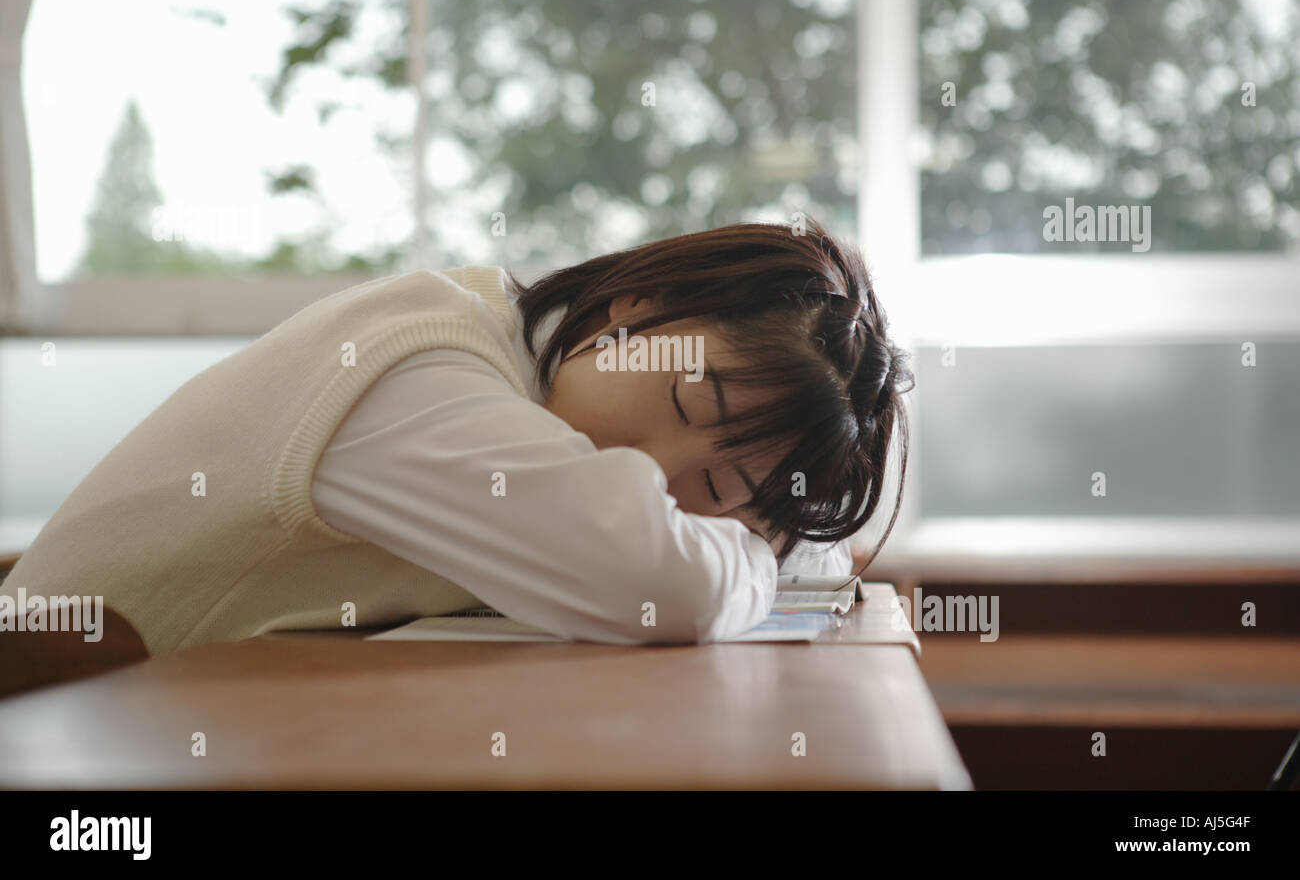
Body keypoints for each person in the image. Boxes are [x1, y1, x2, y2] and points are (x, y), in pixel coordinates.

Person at [3, 217, 912, 665]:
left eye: (714, 490)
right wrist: (750, 550)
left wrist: (779, 538)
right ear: (638, 310)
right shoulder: (422, 365)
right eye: (684, 403)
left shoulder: (513, 358)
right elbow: (657, 578)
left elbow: (785, 561)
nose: (647, 476)